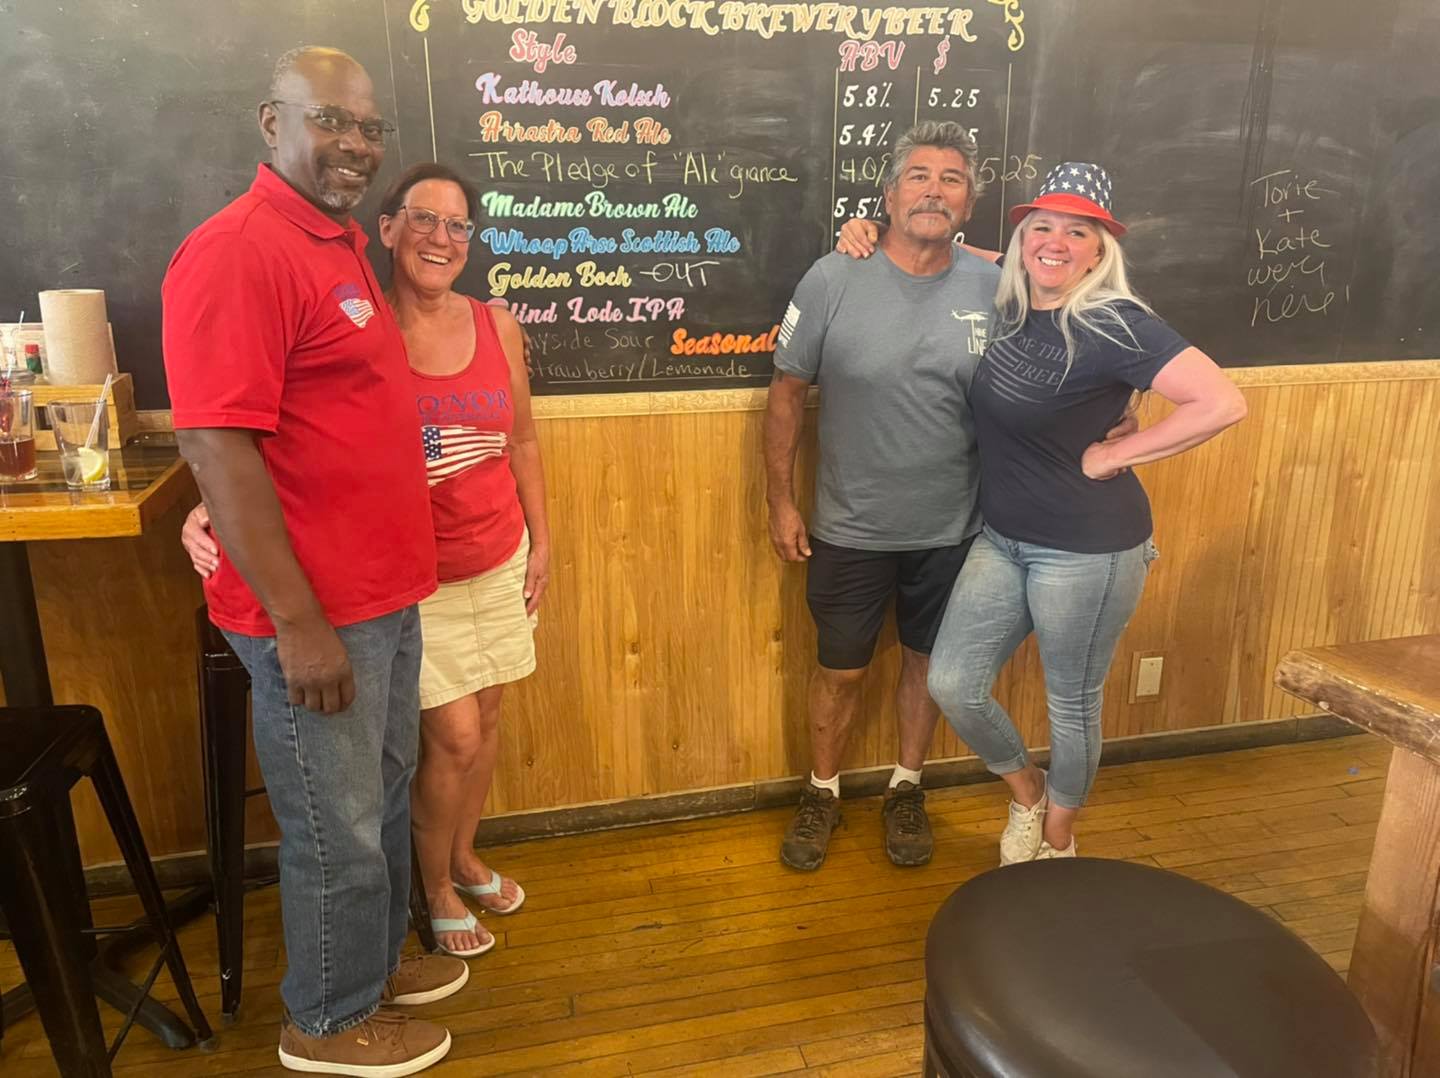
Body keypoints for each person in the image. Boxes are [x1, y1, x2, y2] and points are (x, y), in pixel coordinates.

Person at [163, 46, 464, 1076]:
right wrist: (297, 624)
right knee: (336, 823)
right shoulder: (239, 250)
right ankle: (328, 1019)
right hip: (317, 612)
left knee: (380, 793)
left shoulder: (333, 241)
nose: (355, 144)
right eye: (330, 119)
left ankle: (368, 968)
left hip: (382, 594)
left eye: (369, 128)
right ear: (272, 121)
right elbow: (216, 442)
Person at [183, 161, 551, 959]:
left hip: (496, 554)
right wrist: (206, 505)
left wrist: (543, 541)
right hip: (413, 572)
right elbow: (275, 429)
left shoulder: (495, 326)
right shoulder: (359, 325)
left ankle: (460, 857)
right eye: (424, 218)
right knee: (450, 737)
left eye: (458, 224)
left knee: (486, 721)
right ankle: (434, 888)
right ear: (384, 230)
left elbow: (521, 438)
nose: (442, 237)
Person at [839, 162, 1247, 862]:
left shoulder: (1117, 322)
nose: (1055, 243)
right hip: (1003, 538)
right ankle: (1027, 791)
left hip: (1087, 549)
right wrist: (876, 231)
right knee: (953, 682)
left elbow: (1222, 402)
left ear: (1099, 250)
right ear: (1024, 238)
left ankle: (1059, 841)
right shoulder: (1018, 291)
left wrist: (1115, 455)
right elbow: (963, 250)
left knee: (1072, 704)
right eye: (1043, 227)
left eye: (1077, 232)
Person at [765, 121, 1000, 871]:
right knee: (841, 671)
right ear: (890, 195)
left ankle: (906, 788)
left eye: (952, 179)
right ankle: (822, 792)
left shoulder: (996, 287)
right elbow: (786, 392)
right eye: (919, 176)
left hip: (955, 528)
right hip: (851, 526)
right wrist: (780, 502)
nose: (934, 190)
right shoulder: (833, 277)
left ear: (968, 204)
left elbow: (1062, 343)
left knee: (927, 665)